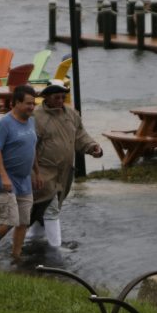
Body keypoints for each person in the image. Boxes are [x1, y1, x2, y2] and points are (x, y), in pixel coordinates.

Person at [26, 82, 103, 249]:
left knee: (44, 209)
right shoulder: (36, 117)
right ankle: (56, 248)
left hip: (65, 171)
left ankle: (31, 240)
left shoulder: (72, 114)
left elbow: (81, 135)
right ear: (46, 97)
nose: (61, 100)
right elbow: (29, 146)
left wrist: (92, 147)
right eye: (57, 97)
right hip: (43, 170)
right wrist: (33, 173)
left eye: (63, 97)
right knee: (50, 207)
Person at [0, 85, 40, 259]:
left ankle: (16, 254)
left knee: (23, 222)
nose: (31, 107)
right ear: (16, 103)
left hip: (25, 179)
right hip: (6, 180)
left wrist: (37, 172)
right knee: (8, 222)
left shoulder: (31, 121)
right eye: (28, 104)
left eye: (33, 103)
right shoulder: (3, 124)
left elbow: (31, 148)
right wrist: (4, 176)